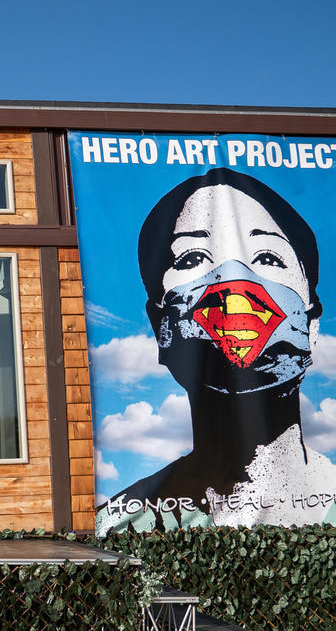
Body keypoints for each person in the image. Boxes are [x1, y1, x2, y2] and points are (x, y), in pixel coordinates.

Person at [104, 167, 336, 529]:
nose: (232, 281)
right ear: (159, 325)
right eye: (192, 259)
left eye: (269, 258)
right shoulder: (124, 521)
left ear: (312, 323)